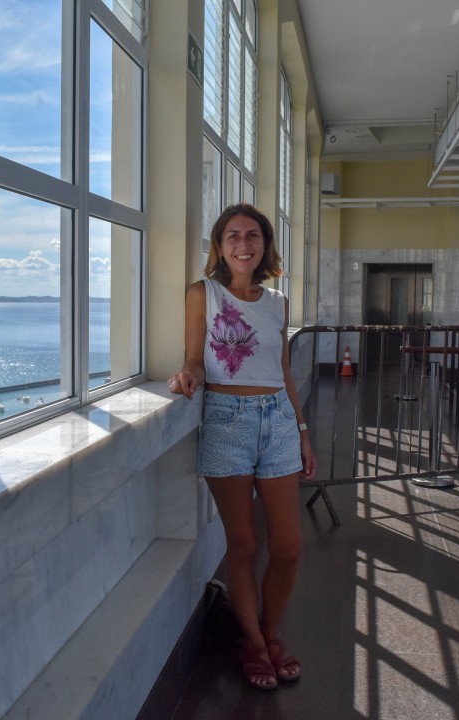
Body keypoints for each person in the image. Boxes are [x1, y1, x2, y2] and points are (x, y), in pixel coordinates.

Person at [167, 203, 317, 691]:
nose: (243, 244)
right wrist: (187, 376)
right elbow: (194, 358)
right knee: (245, 543)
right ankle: (253, 643)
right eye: (232, 235)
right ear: (219, 244)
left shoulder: (278, 301)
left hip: (277, 420)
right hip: (227, 421)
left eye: (252, 235)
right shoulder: (202, 293)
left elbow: (284, 374)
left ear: (265, 244)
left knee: (289, 547)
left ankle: (270, 634)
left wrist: (302, 431)